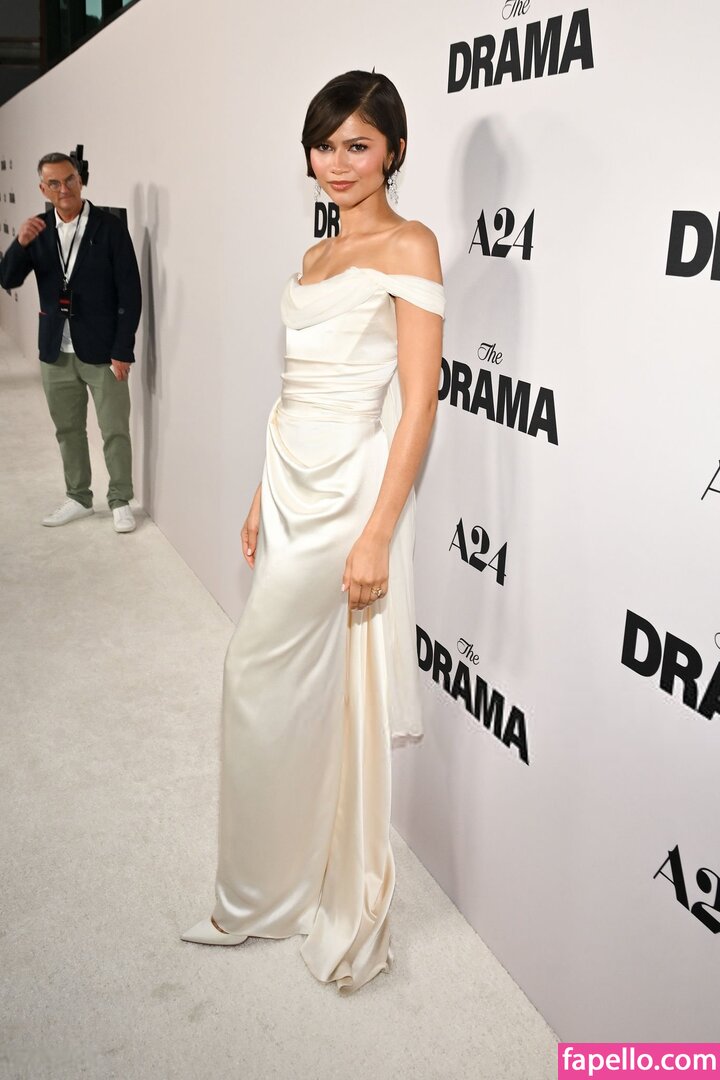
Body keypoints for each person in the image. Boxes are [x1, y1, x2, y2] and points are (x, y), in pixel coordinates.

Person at [182, 71, 445, 993]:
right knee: (294, 691)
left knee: (254, 676)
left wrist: (377, 535)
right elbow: (294, 388)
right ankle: (275, 887)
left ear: (394, 151)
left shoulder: (411, 244)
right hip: (292, 479)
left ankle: (255, 898)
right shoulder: (313, 252)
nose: (337, 163)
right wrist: (264, 491)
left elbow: (419, 407)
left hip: (346, 495)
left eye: (357, 145)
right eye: (325, 145)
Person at [0, 153, 142, 532]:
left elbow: (130, 293)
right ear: (43, 188)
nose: (63, 189)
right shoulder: (38, 229)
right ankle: (79, 497)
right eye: (54, 183)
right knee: (67, 430)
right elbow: (8, 279)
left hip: (103, 351)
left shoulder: (109, 228)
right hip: (55, 351)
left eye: (69, 180)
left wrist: (122, 350)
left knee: (114, 430)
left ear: (81, 180)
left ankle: (120, 500)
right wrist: (19, 244)